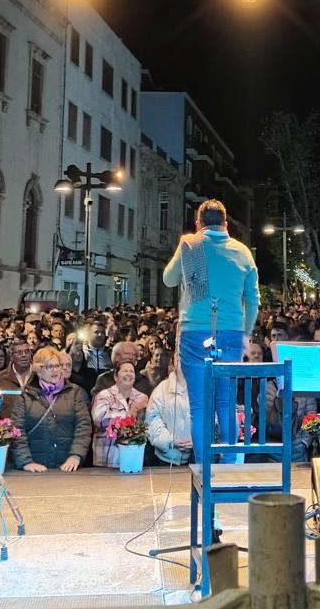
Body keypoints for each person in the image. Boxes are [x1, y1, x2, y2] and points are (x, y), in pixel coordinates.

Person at [163, 198, 259, 462]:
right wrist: (245, 335)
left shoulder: (189, 244)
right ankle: (228, 466)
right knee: (226, 403)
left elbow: (168, 279)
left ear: (198, 224)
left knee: (199, 407)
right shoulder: (243, 251)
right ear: (226, 224)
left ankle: (204, 469)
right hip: (231, 332)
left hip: (194, 333)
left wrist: (189, 245)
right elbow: (253, 300)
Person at [11, 347, 91, 473]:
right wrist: (26, 462)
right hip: (34, 469)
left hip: (68, 468)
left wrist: (76, 455)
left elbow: (83, 427)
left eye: (58, 365)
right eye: (49, 366)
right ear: (39, 370)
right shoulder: (25, 395)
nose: (55, 370)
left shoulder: (74, 392)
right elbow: (17, 430)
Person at [91, 361, 149, 468]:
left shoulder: (142, 398)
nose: (129, 373)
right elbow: (99, 420)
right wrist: (130, 414)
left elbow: (145, 425)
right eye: (125, 371)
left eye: (131, 371)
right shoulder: (104, 395)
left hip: (133, 459)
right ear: (115, 376)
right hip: (106, 460)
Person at [146, 349, 193, 466]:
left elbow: (213, 418)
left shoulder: (203, 388)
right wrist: (170, 440)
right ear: (173, 364)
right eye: (180, 360)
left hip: (197, 458)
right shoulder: (161, 389)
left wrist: (198, 440)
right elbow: (152, 419)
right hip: (166, 459)